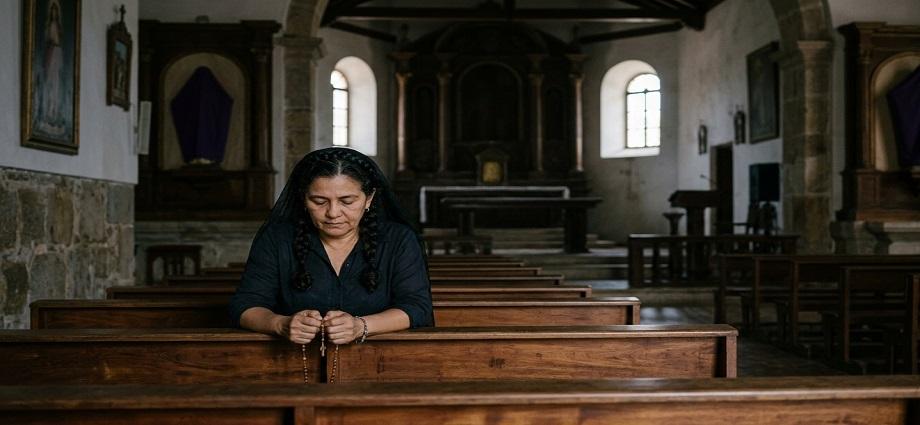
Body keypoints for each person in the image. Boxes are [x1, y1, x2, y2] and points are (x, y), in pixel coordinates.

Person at [229, 147, 433, 346]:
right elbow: (245, 306)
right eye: (319, 201)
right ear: (303, 199)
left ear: (368, 198)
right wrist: (280, 324)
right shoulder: (278, 239)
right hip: (290, 366)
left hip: (381, 363)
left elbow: (417, 307)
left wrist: (361, 326)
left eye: (347, 201)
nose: (333, 213)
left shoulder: (398, 239)